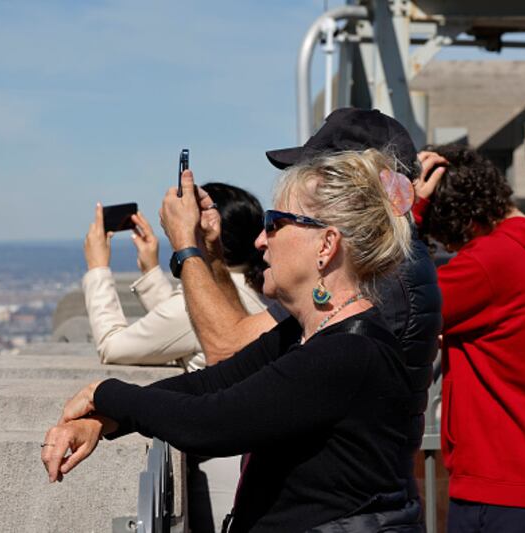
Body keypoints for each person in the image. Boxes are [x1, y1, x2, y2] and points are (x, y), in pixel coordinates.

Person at [42, 149, 425, 532]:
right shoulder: (306, 334)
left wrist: (104, 393)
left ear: (325, 245)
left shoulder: (347, 354)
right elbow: (211, 383)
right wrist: (104, 420)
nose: (260, 241)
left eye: (275, 223)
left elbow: (213, 423)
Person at [162, 108, 442, 505]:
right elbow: (241, 345)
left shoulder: (368, 277)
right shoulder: (389, 264)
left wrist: (186, 248)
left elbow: (228, 353)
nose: (266, 238)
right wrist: (212, 254)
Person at [413, 145, 525, 533]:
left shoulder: (490, 261)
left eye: (450, 242)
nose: (453, 252)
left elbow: (400, 306)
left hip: (501, 483)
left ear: (466, 221)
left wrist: (409, 216)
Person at [82, 183, 267, 369]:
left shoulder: (203, 302)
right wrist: (150, 272)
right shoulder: (266, 290)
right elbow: (180, 323)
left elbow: (112, 347)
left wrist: (97, 268)